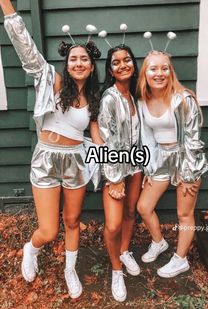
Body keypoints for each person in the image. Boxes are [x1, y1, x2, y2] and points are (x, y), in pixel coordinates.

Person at [0, 0, 101, 299]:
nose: (78, 63)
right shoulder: (50, 80)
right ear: (66, 64)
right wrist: (7, 6)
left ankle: (70, 268)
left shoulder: (95, 99)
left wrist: (123, 167)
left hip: (75, 163)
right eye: (73, 59)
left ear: (91, 65)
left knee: (71, 221)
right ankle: (31, 249)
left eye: (84, 59)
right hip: (45, 159)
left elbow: (99, 141)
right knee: (48, 230)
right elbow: (26, 47)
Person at [136, 50, 208, 278]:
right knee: (143, 207)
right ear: (145, 73)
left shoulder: (184, 99)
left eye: (164, 68)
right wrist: (149, 166)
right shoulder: (142, 100)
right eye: (153, 68)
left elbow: (193, 140)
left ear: (170, 71)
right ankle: (159, 242)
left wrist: (188, 175)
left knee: (184, 214)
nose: (159, 73)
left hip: (187, 158)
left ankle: (181, 259)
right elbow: (146, 137)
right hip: (161, 158)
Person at [97, 44, 142, 302]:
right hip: (115, 167)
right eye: (116, 62)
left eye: (127, 60)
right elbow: (105, 140)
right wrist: (114, 179)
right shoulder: (109, 98)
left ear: (133, 65)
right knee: (113, 224)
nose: (123, 65)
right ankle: (116, 270)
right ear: (111, 70)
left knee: (130, 212)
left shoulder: (133, 96)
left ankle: (125, 251)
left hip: (135, 164)